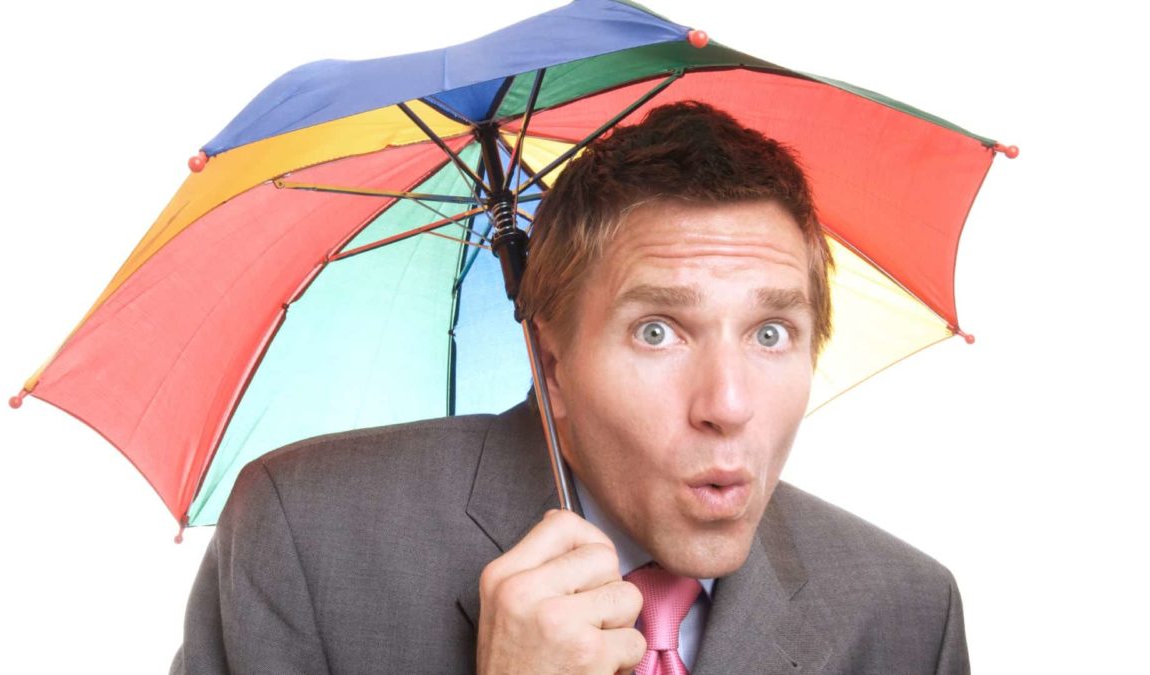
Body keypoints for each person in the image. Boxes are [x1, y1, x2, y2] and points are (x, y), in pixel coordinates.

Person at [171, 101, 969, 674]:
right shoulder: (310, 539)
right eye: (657, 331)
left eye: (770, 333)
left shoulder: (905, 616)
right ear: (552, 364)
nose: (727, 405)